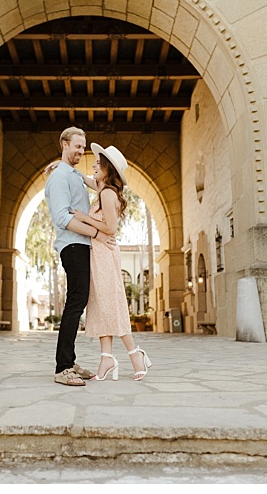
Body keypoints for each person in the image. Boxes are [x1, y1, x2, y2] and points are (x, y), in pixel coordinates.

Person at [59, 144, 153, 382]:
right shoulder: (102, 189)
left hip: (106, 254)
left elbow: (110, 228)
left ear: (107, 169)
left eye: (98, 164)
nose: (93, 166)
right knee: (100, 305)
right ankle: (106, 358)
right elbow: (89, 181)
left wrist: (84, 218)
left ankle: (135, 354)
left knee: (112, 303)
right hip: (97, 254)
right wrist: (64, 168)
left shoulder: (108, 194)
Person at [44, 127, 101, 386]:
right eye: (77, 146)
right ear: (64, 144)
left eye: (83, 146)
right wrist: (95, 232)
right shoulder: (58, 178)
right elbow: (62, 217)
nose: (81, 150)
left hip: (82, 245)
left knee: (78, 302)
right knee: (75, 302)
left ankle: (69, 360)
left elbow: (101, 182)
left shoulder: (71, 174)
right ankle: (63, 367)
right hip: (73, 246)